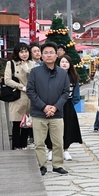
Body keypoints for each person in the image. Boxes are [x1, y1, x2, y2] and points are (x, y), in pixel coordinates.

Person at [26, 42, 70, 176]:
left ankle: (57, 165)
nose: (48, 55)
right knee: (39, 143)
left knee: (58, 142)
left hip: (57, 113)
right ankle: (41, 165)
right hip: (39, 113)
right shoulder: (35, 71)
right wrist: (44, 107)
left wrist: (55, 107)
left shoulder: (63, 73)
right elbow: (30, 91)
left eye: (51, 52)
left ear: (57, 55)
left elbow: (65, 92)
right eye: (45, 53)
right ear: (41, 55)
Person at [45, 54, 83, 161]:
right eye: (62, 62)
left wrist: (71, 104)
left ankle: (66, 150)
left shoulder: (74, 77)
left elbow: (76, 95)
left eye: (67, 62)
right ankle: (51, 150)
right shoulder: (52, 75)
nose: (64, 64)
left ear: (70, 64)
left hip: (68, 106)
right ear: (59, 63)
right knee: (51, 128)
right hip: (54, 105)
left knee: (68, 128)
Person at [5, 44, 34, 150]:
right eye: (21, 52)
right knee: (16, 123)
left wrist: (27, 69)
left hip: (29, 97)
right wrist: (21, 87)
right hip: (17, 96)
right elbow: (7, 80)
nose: (24, 54)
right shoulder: (11, 63)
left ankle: (24, 145)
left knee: (26, 123)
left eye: (26, 51)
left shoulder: (31, 64)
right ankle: (16, 146)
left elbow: (34, 79)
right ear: (17, 53)